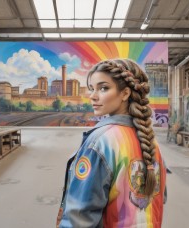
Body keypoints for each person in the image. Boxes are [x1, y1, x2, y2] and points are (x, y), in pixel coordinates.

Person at [56, 59, 166, 228]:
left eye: (103, 88)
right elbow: (159, 198)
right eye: (92, 88)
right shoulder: (151, 142)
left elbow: (80, 218)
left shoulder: (101, 142)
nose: (93, 96)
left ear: (125, 93)